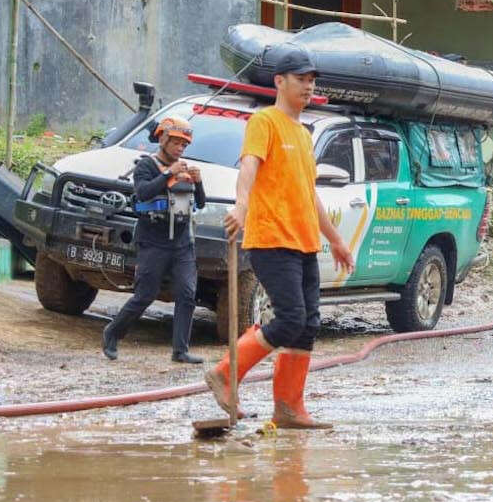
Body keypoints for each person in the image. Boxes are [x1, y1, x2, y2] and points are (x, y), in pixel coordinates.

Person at [205, 44, 356, 429]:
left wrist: (336, 239)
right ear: (279, 81)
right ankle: (225, 373)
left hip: (304, 242)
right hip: (271, 238)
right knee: (289, 319)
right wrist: (240, 205)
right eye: (301, 80)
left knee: (307, 324)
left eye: (311, 81)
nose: (308, 87)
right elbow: (249, 166)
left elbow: (309, 194)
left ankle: (289, 407)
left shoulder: (304, 135)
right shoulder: (265, 122)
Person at [101, 117, 206, 363]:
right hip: (153, 241)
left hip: (182, 243)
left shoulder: (184, 169)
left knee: (187, 294)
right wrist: (169, 173)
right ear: (163, 139)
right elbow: (143, 192)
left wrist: (198, 182)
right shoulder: (146, 166)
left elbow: (199, 203)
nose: (180, 148)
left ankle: (180, 351)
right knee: (145, 295)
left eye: (184, 144)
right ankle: (113, 332)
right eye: (176, 142)